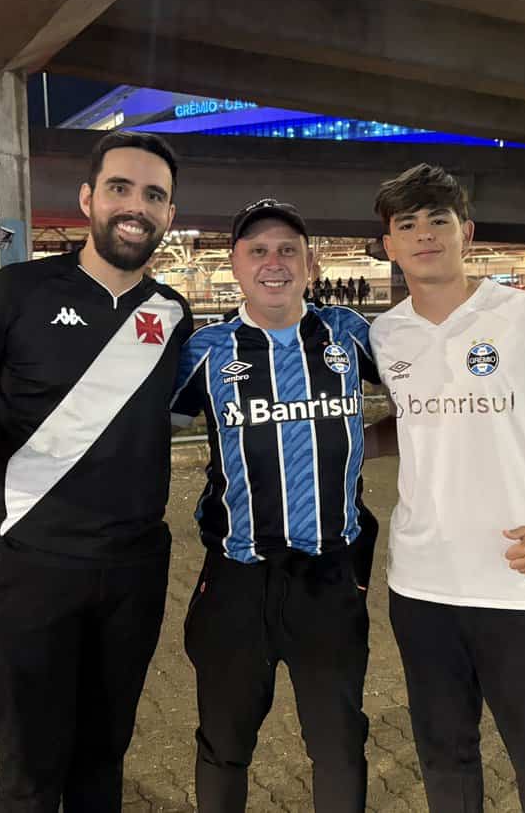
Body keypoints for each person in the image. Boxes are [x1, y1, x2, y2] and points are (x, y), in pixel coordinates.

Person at [0, 130, 193, 812]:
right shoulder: (19, 290)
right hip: (31, 569)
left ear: (169, 215)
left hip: (136, 572)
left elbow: (178, 417)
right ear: (88, 198)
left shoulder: (173, 314)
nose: (136, 206)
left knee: (102, 765)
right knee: (29, 777)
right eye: (120, 188)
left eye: (154, 196)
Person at [364, 164, 525, 813]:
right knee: (445, 761)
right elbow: (414, 421)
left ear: (467, 233)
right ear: (390, 245)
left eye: (439, 220)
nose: (425, 234)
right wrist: (344, 443)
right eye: (407, 225)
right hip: (421, 587)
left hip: (521, 583)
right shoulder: (385, 333)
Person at [171, 198, 381, 813]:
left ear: (310, 263)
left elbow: (426, 397)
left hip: (329, 576)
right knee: (224, 744)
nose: (274, 262)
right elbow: (144, 432)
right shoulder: (205, 350)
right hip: (237, 578)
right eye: (258, 251)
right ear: (235, 265)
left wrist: (353, 441)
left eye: (288, 250)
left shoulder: (348, 334)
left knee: (339, 745)